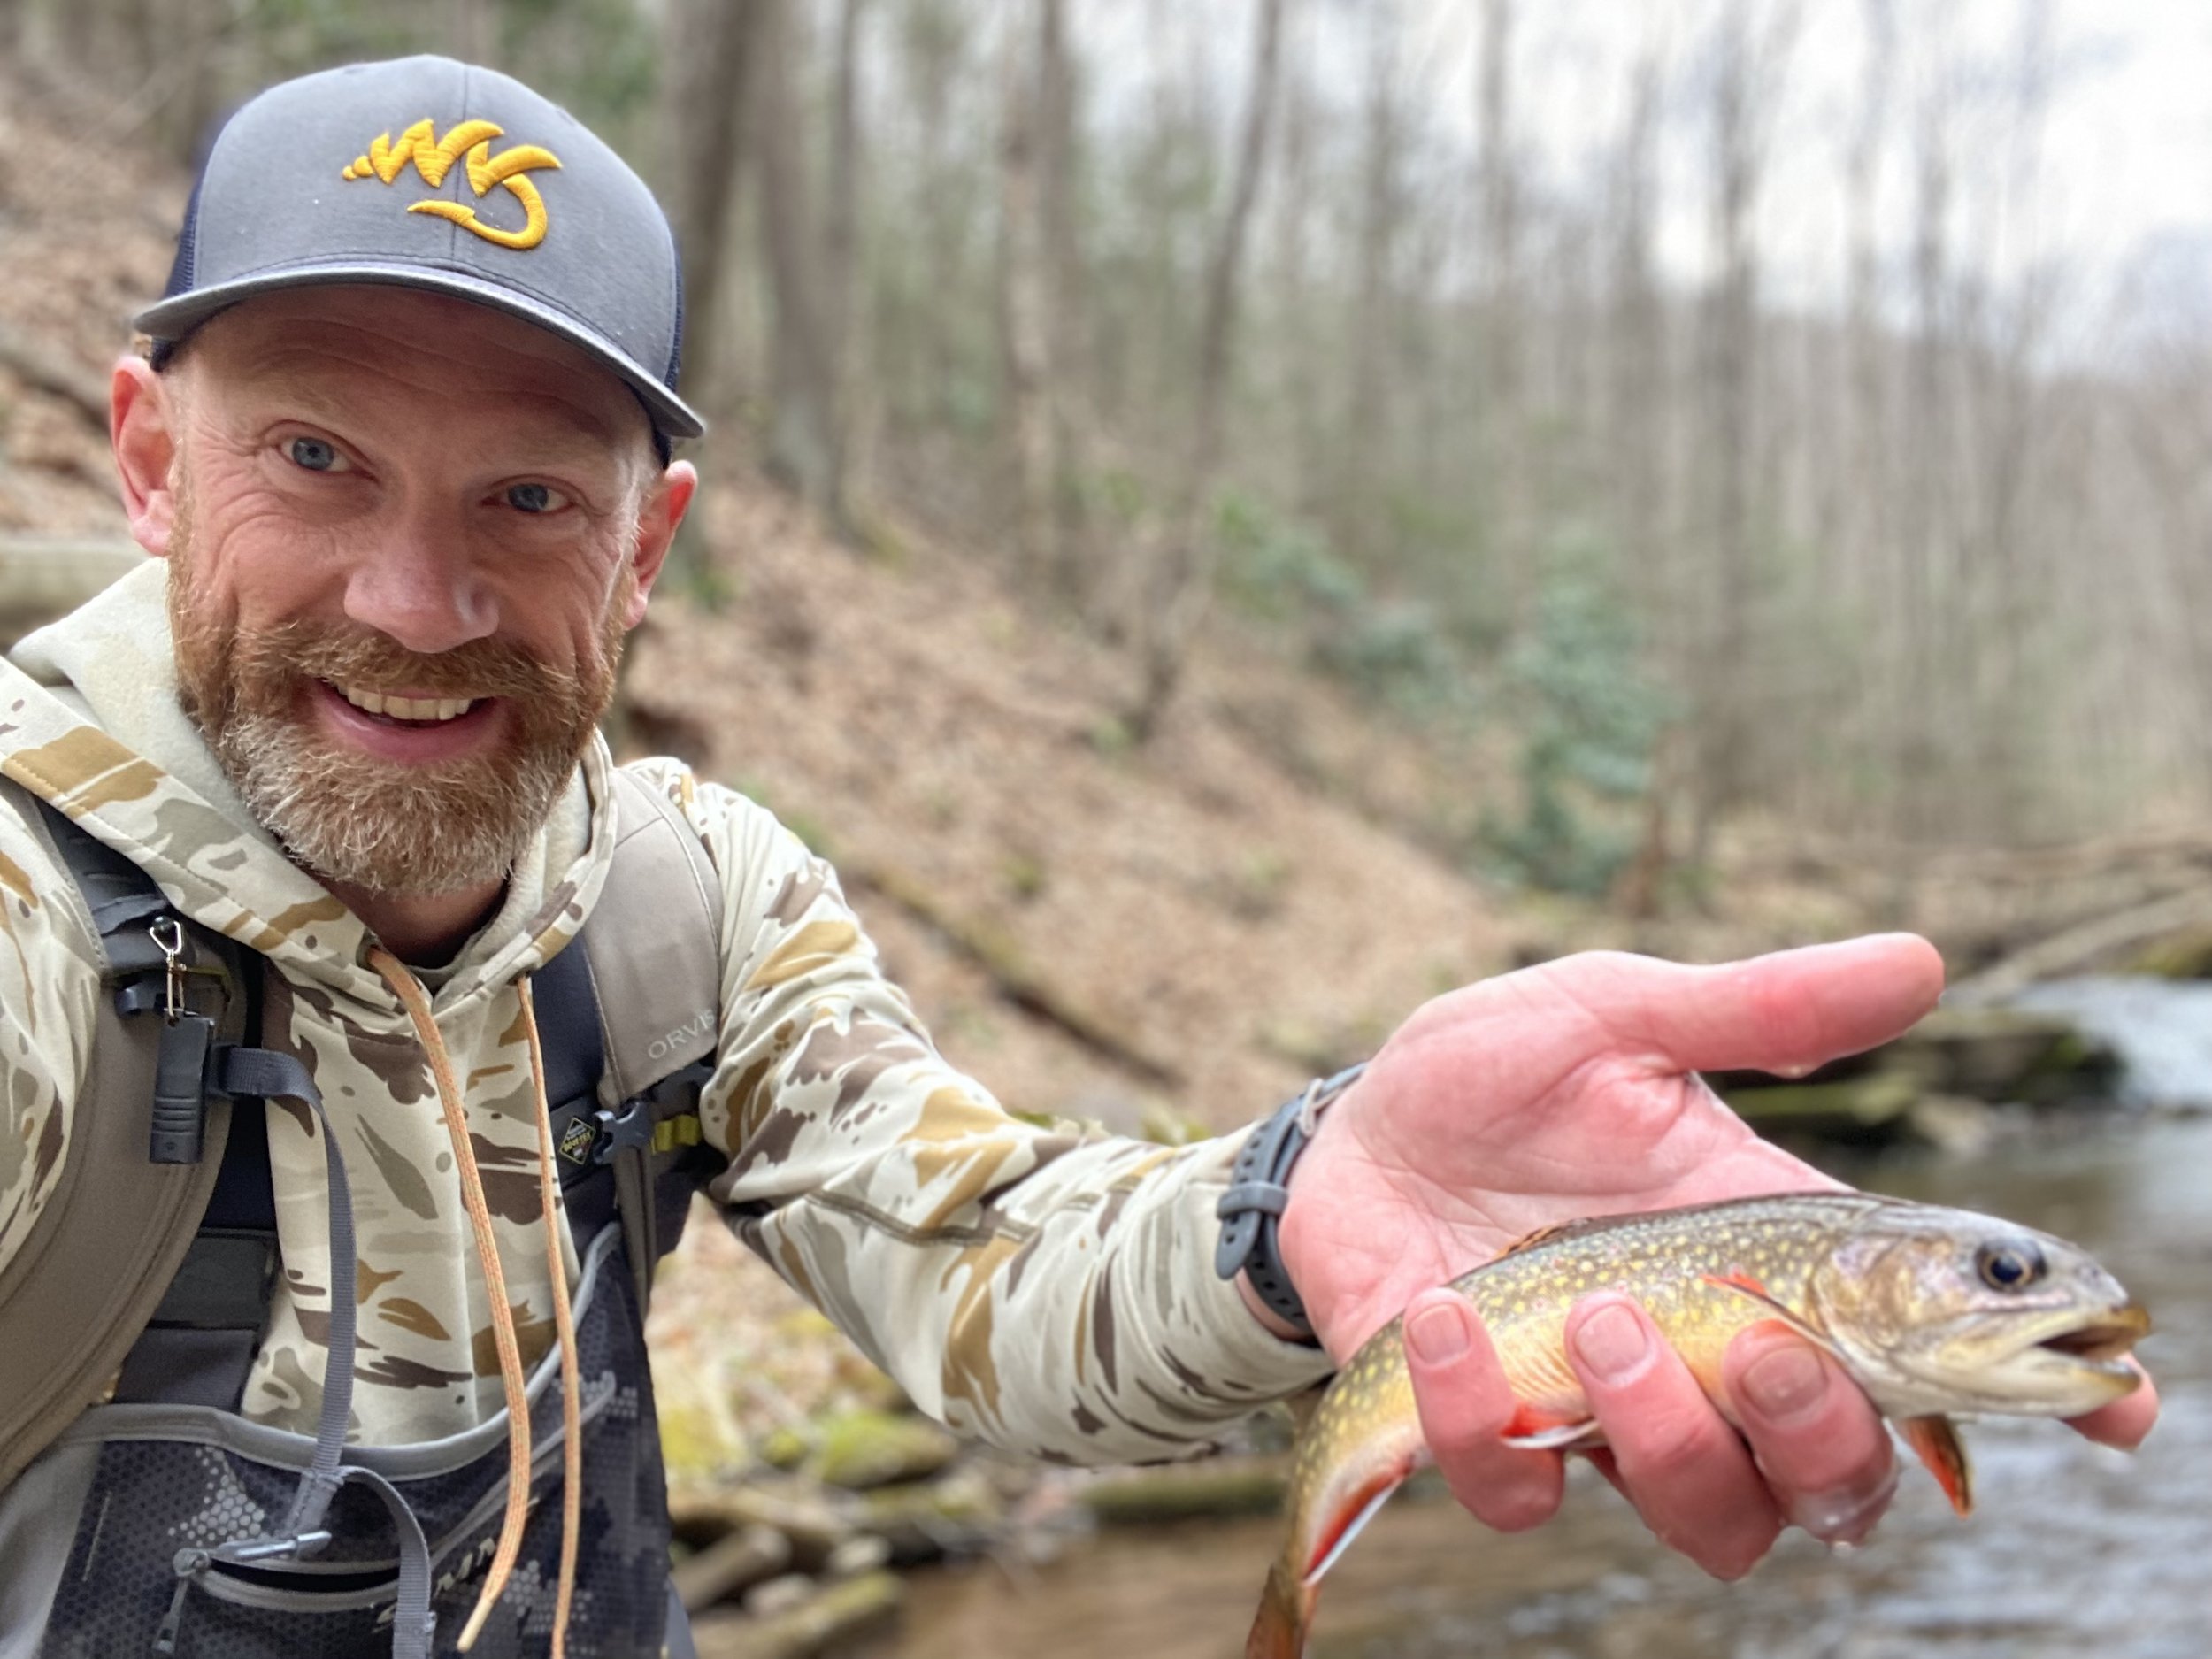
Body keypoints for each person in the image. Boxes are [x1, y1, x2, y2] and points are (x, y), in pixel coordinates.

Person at [0, 54, 2154, 1659]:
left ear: (644, 547)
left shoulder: (679, 903)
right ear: (147, 456)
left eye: (527, 503)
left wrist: (1309, 1205)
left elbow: (987, 1279)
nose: (414, 595)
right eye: (313, 457)